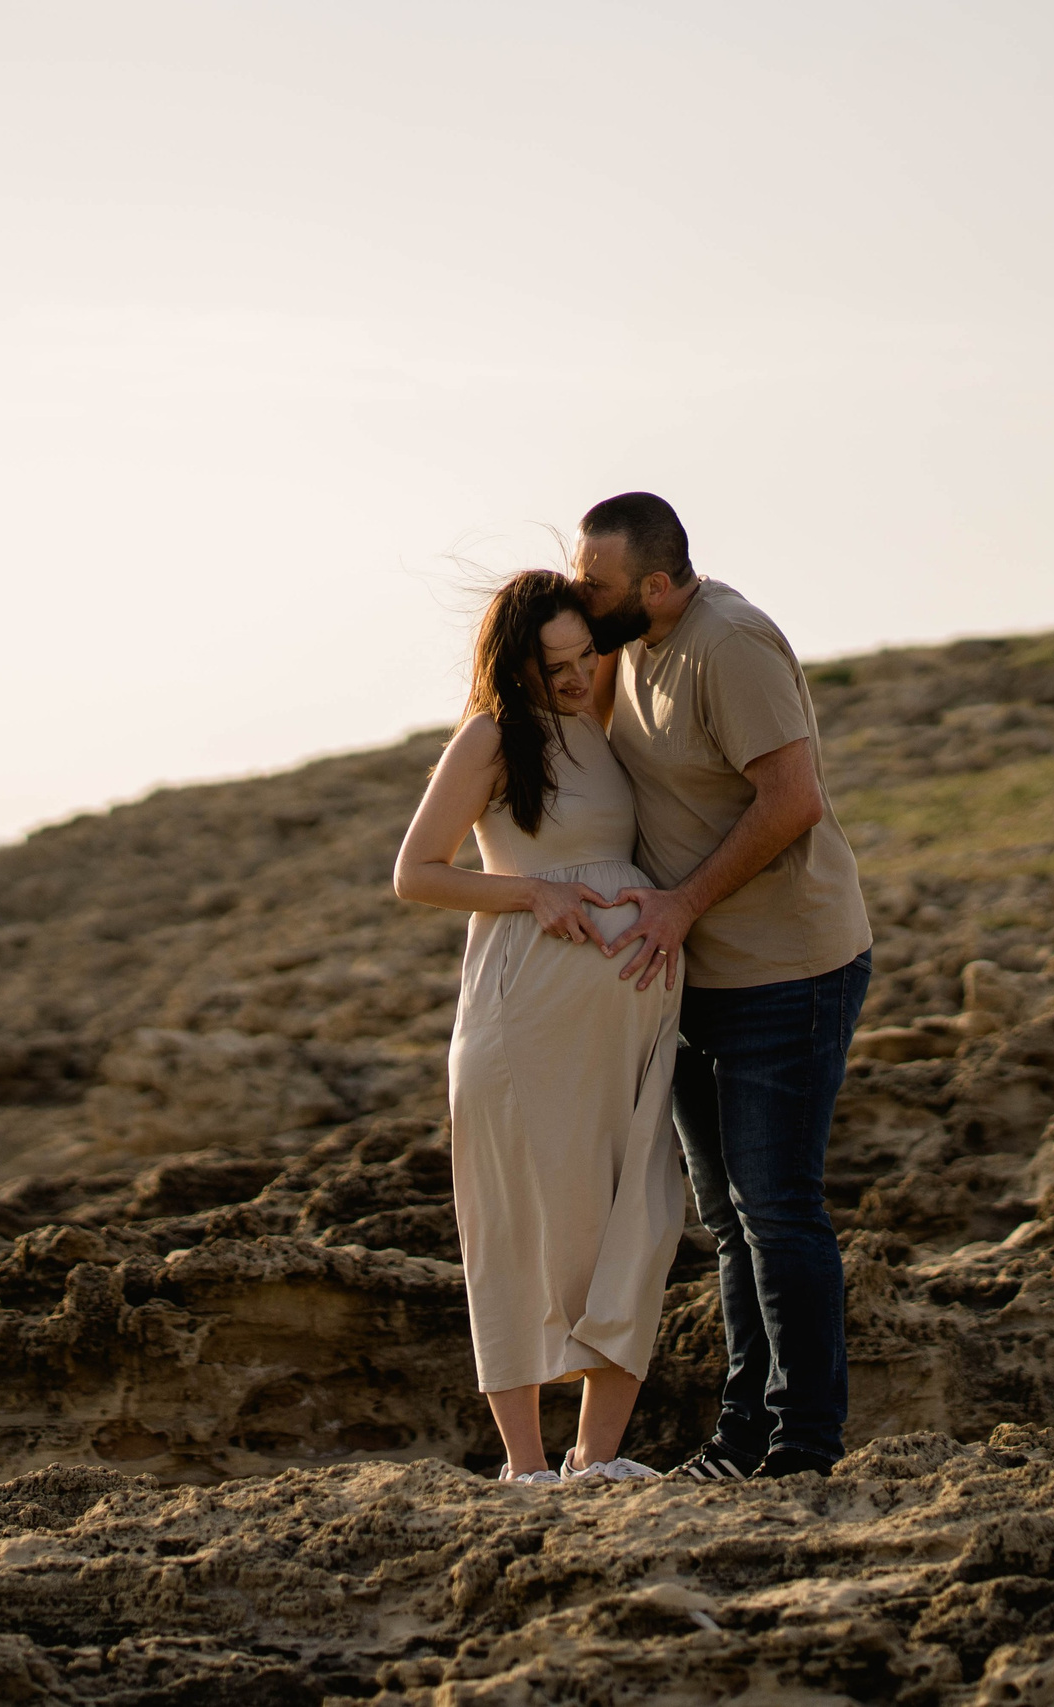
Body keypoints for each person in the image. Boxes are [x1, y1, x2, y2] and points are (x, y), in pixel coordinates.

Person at [573, 491, 875, 1481]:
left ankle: (804, 1447)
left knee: (777, 1208)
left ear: (658, 586)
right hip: (696, 977)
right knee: (729, 1217)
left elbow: (792, 803)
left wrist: (682, 904)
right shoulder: (631, 646)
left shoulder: (730, 646)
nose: (585, 596)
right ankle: (741, 1436)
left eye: (599, 583)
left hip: (788, 968)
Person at [394, 570, 687, 1486]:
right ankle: (524, 1468)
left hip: (628, 1014)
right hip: (522, 1009)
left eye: (582, 656)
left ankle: (595, 1458)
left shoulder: (606, 723)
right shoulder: (490, 735)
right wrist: (532, 890)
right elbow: (416, 872)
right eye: (551, 662)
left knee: (638, 1210)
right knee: (515, 1222)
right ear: (513, 658)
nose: (571, 676)